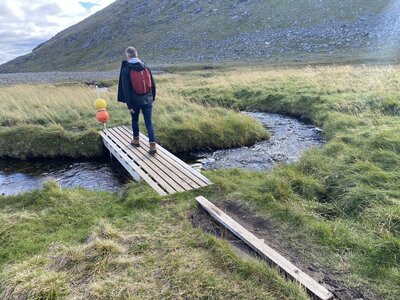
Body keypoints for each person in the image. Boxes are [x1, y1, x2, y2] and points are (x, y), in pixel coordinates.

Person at [117, 47, 157, 155]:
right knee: (149, 122)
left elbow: (126, 89)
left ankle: (136, 140)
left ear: (128, 56)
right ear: (137, 54)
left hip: (134, 101)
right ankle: (152, 145)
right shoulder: (145, 67)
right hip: (147, 99)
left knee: (135, 120)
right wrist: (152, 98)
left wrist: (129, 105)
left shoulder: (126, 69)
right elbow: (153, 84)